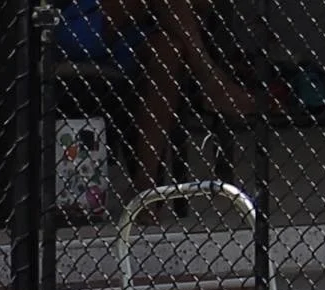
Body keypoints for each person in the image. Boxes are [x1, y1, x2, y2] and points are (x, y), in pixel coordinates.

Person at [57, 0, 259, 201]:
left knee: (168, 49)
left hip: (133, 34)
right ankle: (210, 80)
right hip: (80, 22)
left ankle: (146, 189)